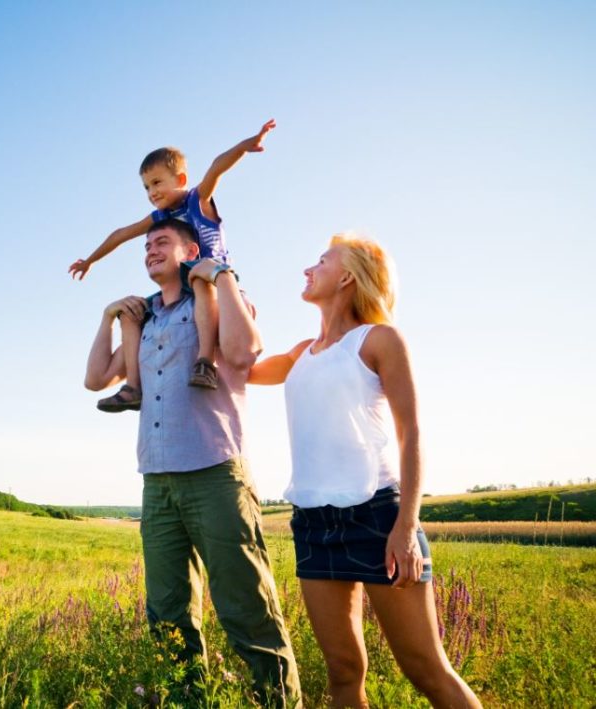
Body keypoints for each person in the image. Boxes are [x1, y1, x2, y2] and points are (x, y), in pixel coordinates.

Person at [239, 234, 482, 708]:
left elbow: (411, 434)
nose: (308, 269)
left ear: (347, 276)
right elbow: (240, 368)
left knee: (427, 670)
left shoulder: (380, 340)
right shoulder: (300, 353)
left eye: (322, 261)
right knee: (343, 673)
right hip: (312, 523)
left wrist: (406, 527)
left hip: (377, 517)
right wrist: (229, 299)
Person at [84, 219, 301, 706]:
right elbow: (95, 378)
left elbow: (245, 353)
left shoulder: (215, 300)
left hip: (214, 474)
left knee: (247, 608)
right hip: (157, 484)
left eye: (161, 242)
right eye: (145, 247)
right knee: (167, 615)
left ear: (189, 250)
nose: (149, 251)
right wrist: (107, 317)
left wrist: (220, 274)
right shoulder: (147, 320)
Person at [71, 120, 276, 412]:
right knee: (132, 313)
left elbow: (217, 167)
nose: (152, 192)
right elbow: (121, 233)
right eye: (146, 187)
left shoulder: (197, 200)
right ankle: (133, 387)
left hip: (211, 279)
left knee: (198, 279)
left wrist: (245, 146)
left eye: (157, 183)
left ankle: (204, 361)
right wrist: (91, 260)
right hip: (179, 289)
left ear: (180, 180)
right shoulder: (159, 217)